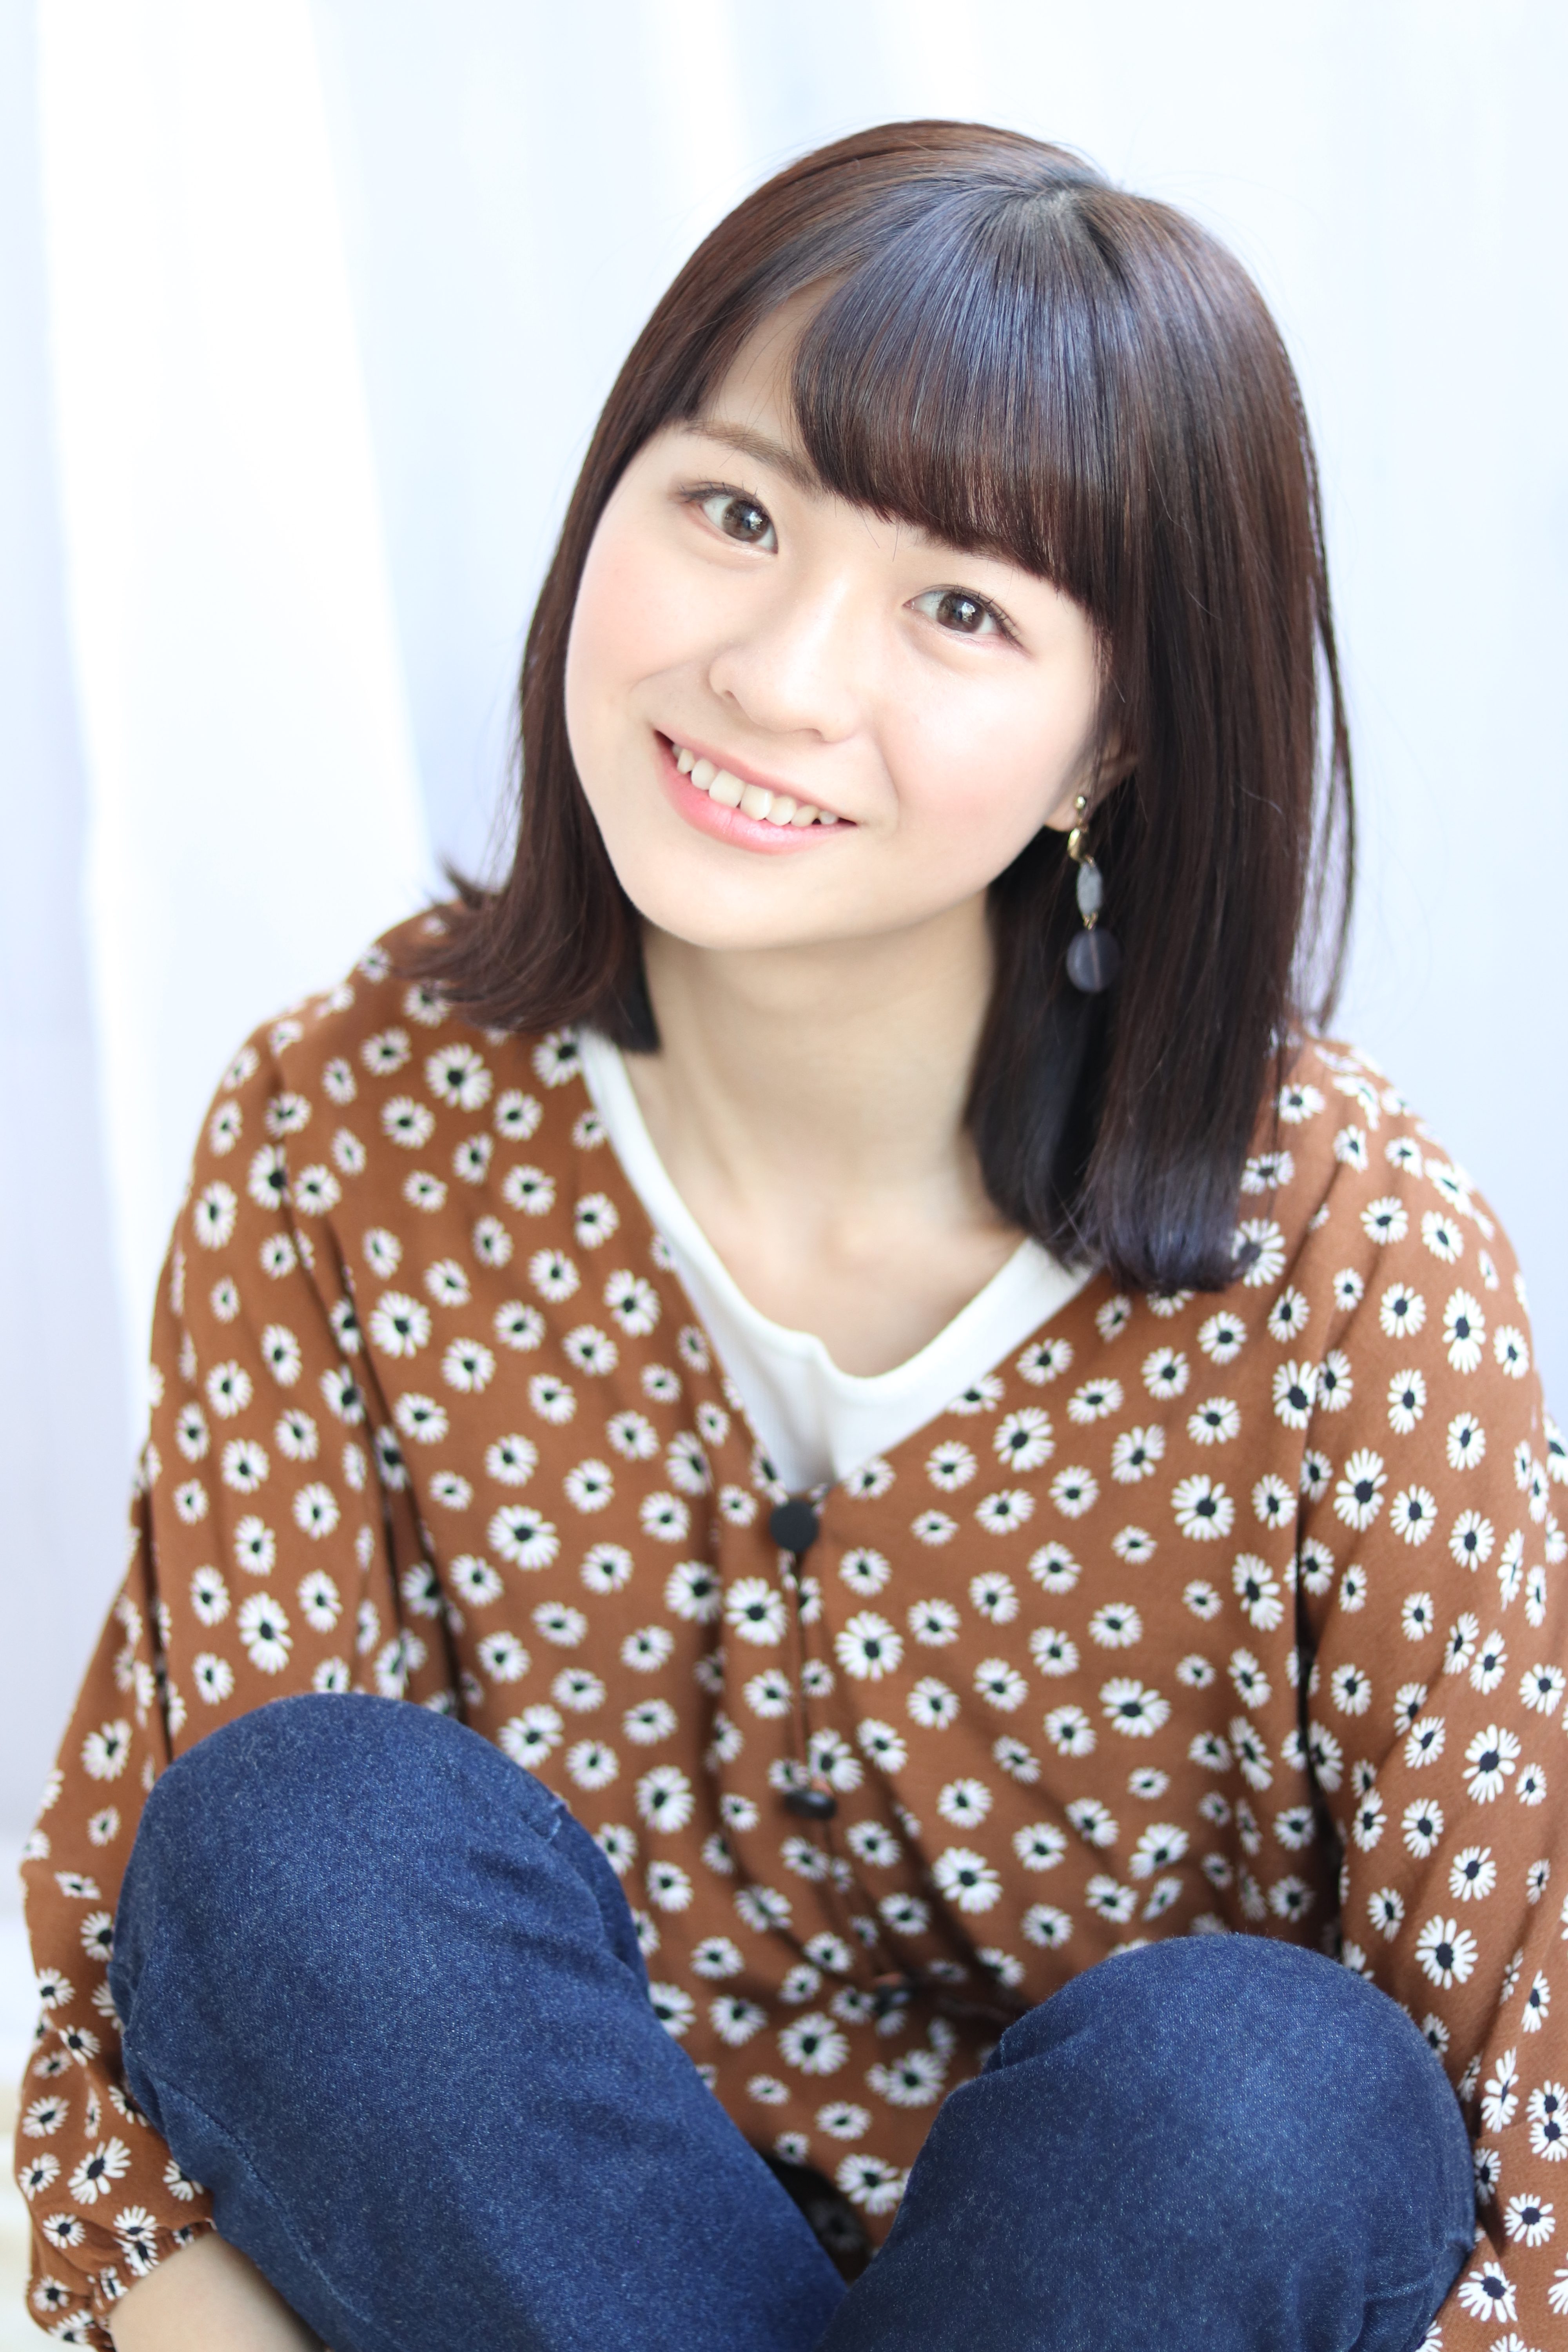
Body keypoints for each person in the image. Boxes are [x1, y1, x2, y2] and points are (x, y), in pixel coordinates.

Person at [14, 119, 1562, 2352]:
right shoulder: (345, 1130)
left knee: (1269, 2094)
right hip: (510, 2290)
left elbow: (1531, 2136)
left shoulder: (1344, 1253)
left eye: (962, 609)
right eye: (735, 513)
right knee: (293, 1846)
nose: (781, 673)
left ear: (1108, 749)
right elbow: (135, 2063)